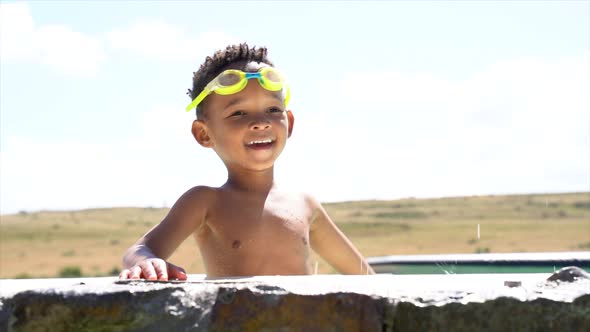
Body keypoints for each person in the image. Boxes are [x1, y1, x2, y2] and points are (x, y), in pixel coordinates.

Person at [119, 43, 375, 280]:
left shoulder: (305, 205)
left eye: (273, 110)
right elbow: (140, 250)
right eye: (238, 113)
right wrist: (147, 262)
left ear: (290, 123)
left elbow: (364, 275)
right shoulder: (205, 202)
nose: (260, 122)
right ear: (204, 134)